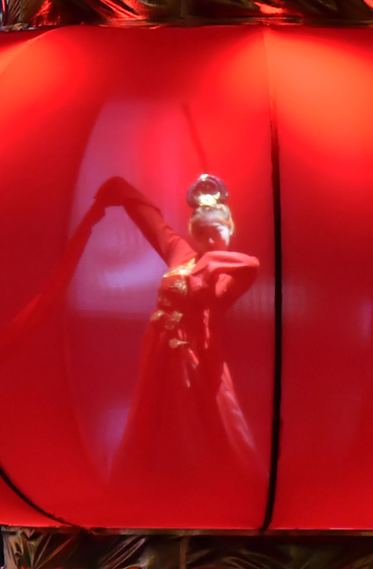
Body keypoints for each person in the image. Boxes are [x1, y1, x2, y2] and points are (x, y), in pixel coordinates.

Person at [96, 175, 265, 504]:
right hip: (160, 351)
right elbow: (153, 225)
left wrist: (209, 263)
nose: (209, 239)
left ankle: (203, 492)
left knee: (202, 421)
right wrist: (124, 191)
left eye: (217, 232)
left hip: (196, 355)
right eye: (201, 233)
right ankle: (153, 489)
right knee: (153, 417)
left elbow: (251, 266)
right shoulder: (180, 253)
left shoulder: (228, 274)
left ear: (231, 229)